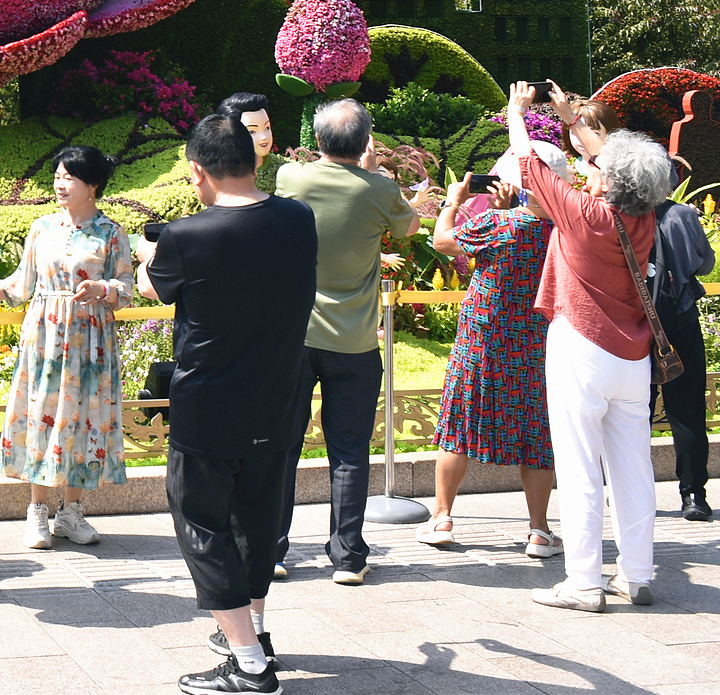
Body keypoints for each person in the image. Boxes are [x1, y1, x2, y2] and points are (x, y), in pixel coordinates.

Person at [148, 114, 317, 694]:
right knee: (259, 518)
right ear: (254, 159)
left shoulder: (185, 236)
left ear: (198, 171)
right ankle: (257, 631)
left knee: (202, 521)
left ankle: (248, 663)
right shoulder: (299, 218)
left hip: (209, 404)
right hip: (279, 397)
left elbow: (155, 287)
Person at [504, 81, 667, 612]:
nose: (589, 168)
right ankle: (637, 575)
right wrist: (572, 119)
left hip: (581, 348)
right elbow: (616, 162)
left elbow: (529, 162)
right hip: (633, 358)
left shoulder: (584, 215)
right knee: (632, 468)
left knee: (578, 469)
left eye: (597, 168)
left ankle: (583, 582)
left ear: (609, 182)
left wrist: (518, 110)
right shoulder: (640, 217)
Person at [272, 98, 420, 585]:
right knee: (350, 451)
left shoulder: (293, 179)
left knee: (282, 447)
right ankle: (349, 556)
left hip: (295, 336)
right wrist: (374, 174)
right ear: (365, 142)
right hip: (355, 342)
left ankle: (272, 549)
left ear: (317, 139)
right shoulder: (381, 190)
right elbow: (409, 226)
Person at [0, 145, 130, 550]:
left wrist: (102, 288)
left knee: (84, 415)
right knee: (44, 413)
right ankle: (37, 510)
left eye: (69, 177)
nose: (59, 183)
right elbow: (23, 281)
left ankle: (71, 512)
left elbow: (125, 288)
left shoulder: (111, 232)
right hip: (46, 334)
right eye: (57, 175)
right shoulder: (42, 227)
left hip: (91, 339)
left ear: (92, 185)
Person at [419, 147, 575, 557]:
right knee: (537, 435)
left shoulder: (496, 223)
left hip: (483, 343)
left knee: (458, 427)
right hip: (537, 346)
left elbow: (442, 241)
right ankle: (539, 530)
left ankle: (442, 518)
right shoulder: (568, 231)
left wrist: (453, 201)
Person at [652, 165, 717, 522]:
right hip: (679, 316)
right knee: (687, 409)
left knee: (631, 413)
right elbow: (704, 263)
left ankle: (630, 492)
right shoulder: (681, 214)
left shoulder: (618, 213)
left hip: (634, 322)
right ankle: (694, 494)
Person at [219, 92, 275, 170]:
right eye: (252, 132)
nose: (263, 137)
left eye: (267, 128)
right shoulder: (218, 172)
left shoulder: (285, 170)